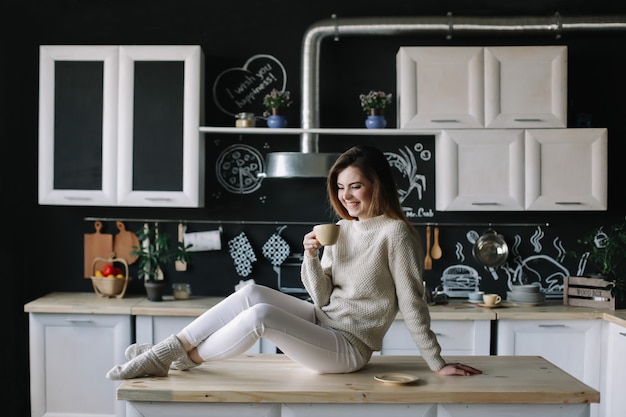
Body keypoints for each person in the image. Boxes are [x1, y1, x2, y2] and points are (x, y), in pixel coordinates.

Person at [106, 144, 481, 380]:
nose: (345, 195)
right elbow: (321, 298)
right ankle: (169, 354)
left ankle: (172, 359)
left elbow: (413, 303)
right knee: (252, 292)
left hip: (350, 346)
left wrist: (437, 363)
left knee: (260, 318)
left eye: (355, 185)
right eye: (339, 186)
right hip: (324, 321)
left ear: (376, 184)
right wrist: (312, 255)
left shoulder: (396, 233)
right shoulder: (341, 228)